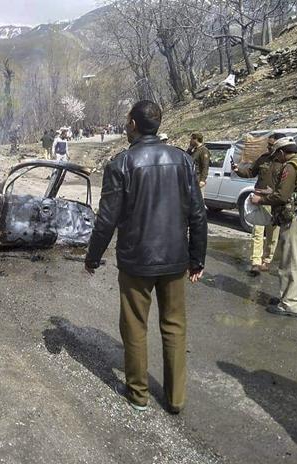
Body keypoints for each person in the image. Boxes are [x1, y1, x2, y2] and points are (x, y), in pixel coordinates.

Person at [84, 100, 207, 414]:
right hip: (176, 260)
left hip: (136, 261)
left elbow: (106, 219)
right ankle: (175, 398)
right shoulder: (182, 160)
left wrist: (92, 257)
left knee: (135, 326)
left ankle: (138, 394)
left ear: (134, 125)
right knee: (174, 327)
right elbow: (197, 214)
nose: (126, 126)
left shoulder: (121, 164)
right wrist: (197, 258)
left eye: (127, 122)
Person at [250, 136, 297, 318]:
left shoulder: (290, 166)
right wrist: (271, 192)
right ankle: (287, 297)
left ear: (281, 152)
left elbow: (282, 197)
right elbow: (294, 191)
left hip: (296, 217)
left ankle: (290, 305)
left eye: (277, 155)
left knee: (290, 262)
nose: (276, 159)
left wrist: (260, 199)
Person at [233, 133, 283, 275]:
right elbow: (250, 172)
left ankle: (266, 260)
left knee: (273, 233)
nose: (268, 146)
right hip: (259, 199)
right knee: (258, 231)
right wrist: (238, 170)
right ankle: (255, 262)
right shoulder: (263, 158)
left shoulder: (284, 162)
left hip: (275, 201)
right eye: (268, 144)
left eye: (271, 144)